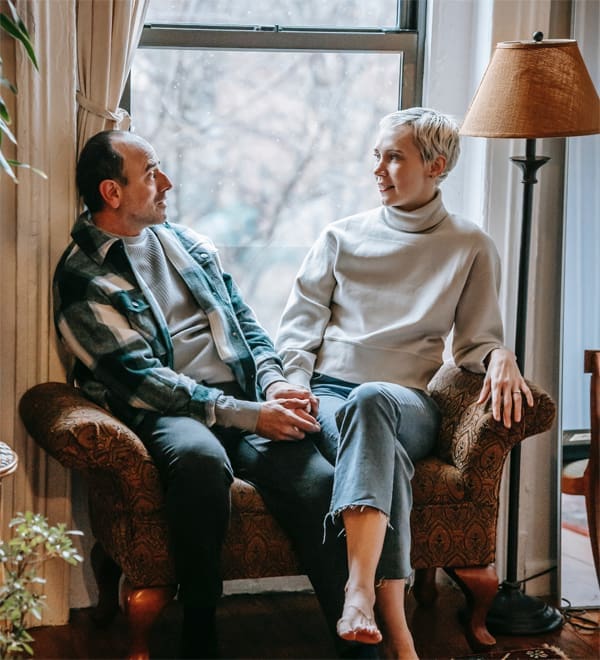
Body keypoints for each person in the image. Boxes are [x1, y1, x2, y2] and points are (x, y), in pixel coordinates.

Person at [54, 130, 370, 659]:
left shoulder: (186, 242)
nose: (167, 183)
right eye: (152, 172)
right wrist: (247, 415)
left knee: (317, 483)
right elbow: (142, 379)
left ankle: (354, 638)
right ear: (112, 192)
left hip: (242, 394)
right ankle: (200, 626)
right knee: (199, 463)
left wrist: (273, 383)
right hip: (165, 410)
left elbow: (246, 323)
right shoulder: (83, 276)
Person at [275, 107, 534, 659]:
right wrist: (294, 386)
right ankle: (395, 628)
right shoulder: (340, 237)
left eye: (395, 157)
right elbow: (297, 332)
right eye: (378, 156)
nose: (379, 169)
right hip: (330, 398)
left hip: (407, 402)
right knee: (378, 443)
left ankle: (360, 591)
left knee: (375, 403)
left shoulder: (470, 245)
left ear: (436, 165)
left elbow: (473, 345)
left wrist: (501, 355)